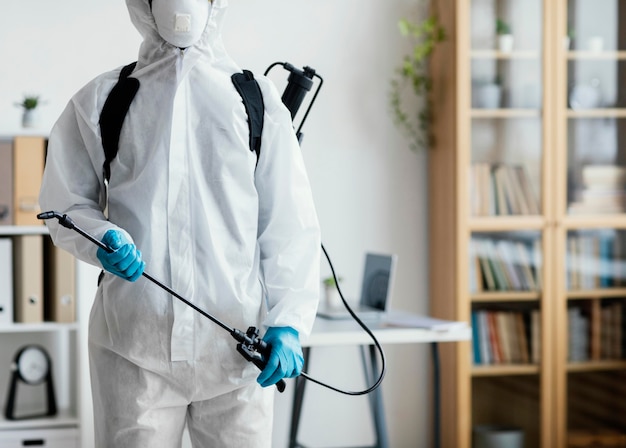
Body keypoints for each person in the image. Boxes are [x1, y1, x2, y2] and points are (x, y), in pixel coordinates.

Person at [39, 0, 321, 446]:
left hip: (237, 355)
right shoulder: (102, 99)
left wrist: (289, 323)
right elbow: (64, 204)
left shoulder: (258, 101)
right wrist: (103, 238)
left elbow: (289, 223)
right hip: (132, 352)